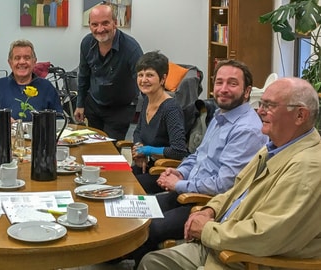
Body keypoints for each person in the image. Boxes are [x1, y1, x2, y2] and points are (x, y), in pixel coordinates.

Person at [139, 77, 321, 269]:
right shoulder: (274, 147)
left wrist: (207, 230)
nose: (260, 111)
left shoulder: (308, 168)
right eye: (261, 104)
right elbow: (235, 190)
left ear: (300, 115)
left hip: (240, 258)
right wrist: (210, 210)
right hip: (219, 240)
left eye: (270, 106)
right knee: (151, 262)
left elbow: (266, 235)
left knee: (151, 236)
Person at [125, 59, 268, 269]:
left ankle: (118, 259)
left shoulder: (246, 130)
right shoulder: (221, 116)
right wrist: (181, 172)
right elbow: (196, 155)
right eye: (219, 82)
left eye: (232, 83)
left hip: (207, 203)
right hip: (188, 190)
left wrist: (179, 185)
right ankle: (115, 256)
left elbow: (225, 185)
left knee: (148, 227)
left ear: (247, 92)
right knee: (135, 210)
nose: (223, 89)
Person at [74, 3, 143, 142]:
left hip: (120, 108)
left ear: (115, 23)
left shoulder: (131, 48)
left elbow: (143, 80)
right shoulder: (86, 43)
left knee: (110, 150)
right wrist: (80, 104)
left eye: (105, 23)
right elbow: (83, 75)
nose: (100, 29)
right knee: (92, 146)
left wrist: (148, 113)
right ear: (89, 25)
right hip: (94, 105)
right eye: (95, 24)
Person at [131, 51, 189, 180]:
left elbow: (178, 151)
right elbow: (138, 131)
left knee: (129, 187)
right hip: (145, 164)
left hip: (163, 171)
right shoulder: (147, 99)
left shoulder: (171, 108)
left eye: (150, 75)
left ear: (163, 79)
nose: (143, 80)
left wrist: (148, 150)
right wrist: (139, 148)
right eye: (140, 75)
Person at [0, 39, 63, 122]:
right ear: (10, 63)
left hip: (40, 134)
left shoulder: (47, 87)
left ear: (34, 62)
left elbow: (60, 119)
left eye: (27, 58)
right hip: (6, 134)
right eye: (17, 58)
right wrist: (3, 121)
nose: (22, 62)